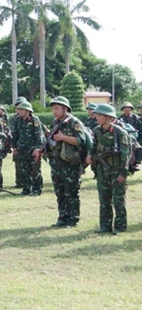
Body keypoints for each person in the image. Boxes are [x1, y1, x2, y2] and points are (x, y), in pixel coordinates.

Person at [40, 96, 87, 228]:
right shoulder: (55, 123)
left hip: (70, 164)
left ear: (65, 109)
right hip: (56, 163)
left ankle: (73, 219)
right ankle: (62, 217)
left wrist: (63, 137)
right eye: (53, 109)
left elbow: (80, 141)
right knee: (59, 193)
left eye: (57, 108)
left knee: (71, 192)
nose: (54, 111)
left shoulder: (74, 123)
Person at [87, 104, 132, 235]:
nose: (96, 117)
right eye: (96, 115)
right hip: (102, 170)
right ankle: (105, 226)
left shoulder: (119, 133)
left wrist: (123, 173)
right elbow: (94, 146)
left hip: (116, 171)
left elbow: (126, 155)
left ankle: (120, 226)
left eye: (100, 115)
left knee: (118, 200)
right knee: (104, 199)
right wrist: (90, 155)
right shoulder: (97, 130)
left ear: (108, 117)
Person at [12, 101, 44, 196]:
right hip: (22, 149)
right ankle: (26, 188)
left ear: (27, 111)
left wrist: (37, 148)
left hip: (33, 149)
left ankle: (37, 189)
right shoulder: (18, 120)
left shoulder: (34, 120)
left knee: (35, 170)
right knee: (24, 170)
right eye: (19, 109)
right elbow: (15, 134)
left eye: (22, 109)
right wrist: (14, 146)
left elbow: (39, 135)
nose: (19, 111)